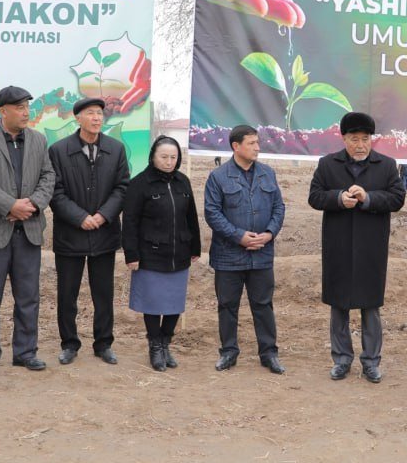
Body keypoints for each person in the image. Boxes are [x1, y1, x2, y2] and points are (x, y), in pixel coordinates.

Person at [308, 112, 406, 383]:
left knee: (370, 306)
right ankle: (341, 360)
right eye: (354, 139)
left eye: (365, 139)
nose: (360, 145)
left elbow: (397, 198)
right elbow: (314, 196)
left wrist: (368, 198)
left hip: (371, 246)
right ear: (343, 139)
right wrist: (338, 198)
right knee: (338, 305)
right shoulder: (328, 164)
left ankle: (371, 362)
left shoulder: (386, 165)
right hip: (338, 245)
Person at [0, 87, 56, 376]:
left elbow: (48, 176)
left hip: (28, 230)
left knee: (29, 297)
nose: (26, 112)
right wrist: (10, 206)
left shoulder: (39, 140)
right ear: (2, 110)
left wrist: (33, 204)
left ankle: (26, 352)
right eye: (19, 107)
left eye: (27, 106)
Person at [49, 98, 130, 365]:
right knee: (67, 293)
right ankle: (69, 344)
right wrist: (80, 217)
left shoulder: (116, 149)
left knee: (103, 293)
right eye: (90, 113)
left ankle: (103, 343)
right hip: (70, 234)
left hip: (104, 234)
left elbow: (122, 187)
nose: (97, 118)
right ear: (78, 118)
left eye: (100, 114)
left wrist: (103, 215)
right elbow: (55, 191)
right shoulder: (59, 151)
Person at [203, 125, 287, 373]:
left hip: (261, 253)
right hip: (229, 255)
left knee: (263, 304)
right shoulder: (218, 177)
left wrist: (269, 233)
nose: (257, 147)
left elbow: (279, 208)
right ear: (236, 146)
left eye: (257, 142)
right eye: (251, 143)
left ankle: (269, 353)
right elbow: (212, 213)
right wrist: (239, 236)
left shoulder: (267, 174)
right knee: (227, 305)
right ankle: (229, 351)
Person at [122, 136, 201, 371]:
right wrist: (131, 254)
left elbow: (192, 217)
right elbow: (130, 222)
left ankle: (166, 343)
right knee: (153, 303)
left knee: (174, 303)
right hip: (150, 253)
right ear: (153, 157)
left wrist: (195, 247)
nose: (168, 162)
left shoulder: (182, 182)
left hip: (179, 252)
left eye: (173, 157)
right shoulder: (139, 184)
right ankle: (155, 346)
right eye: (164, 157)